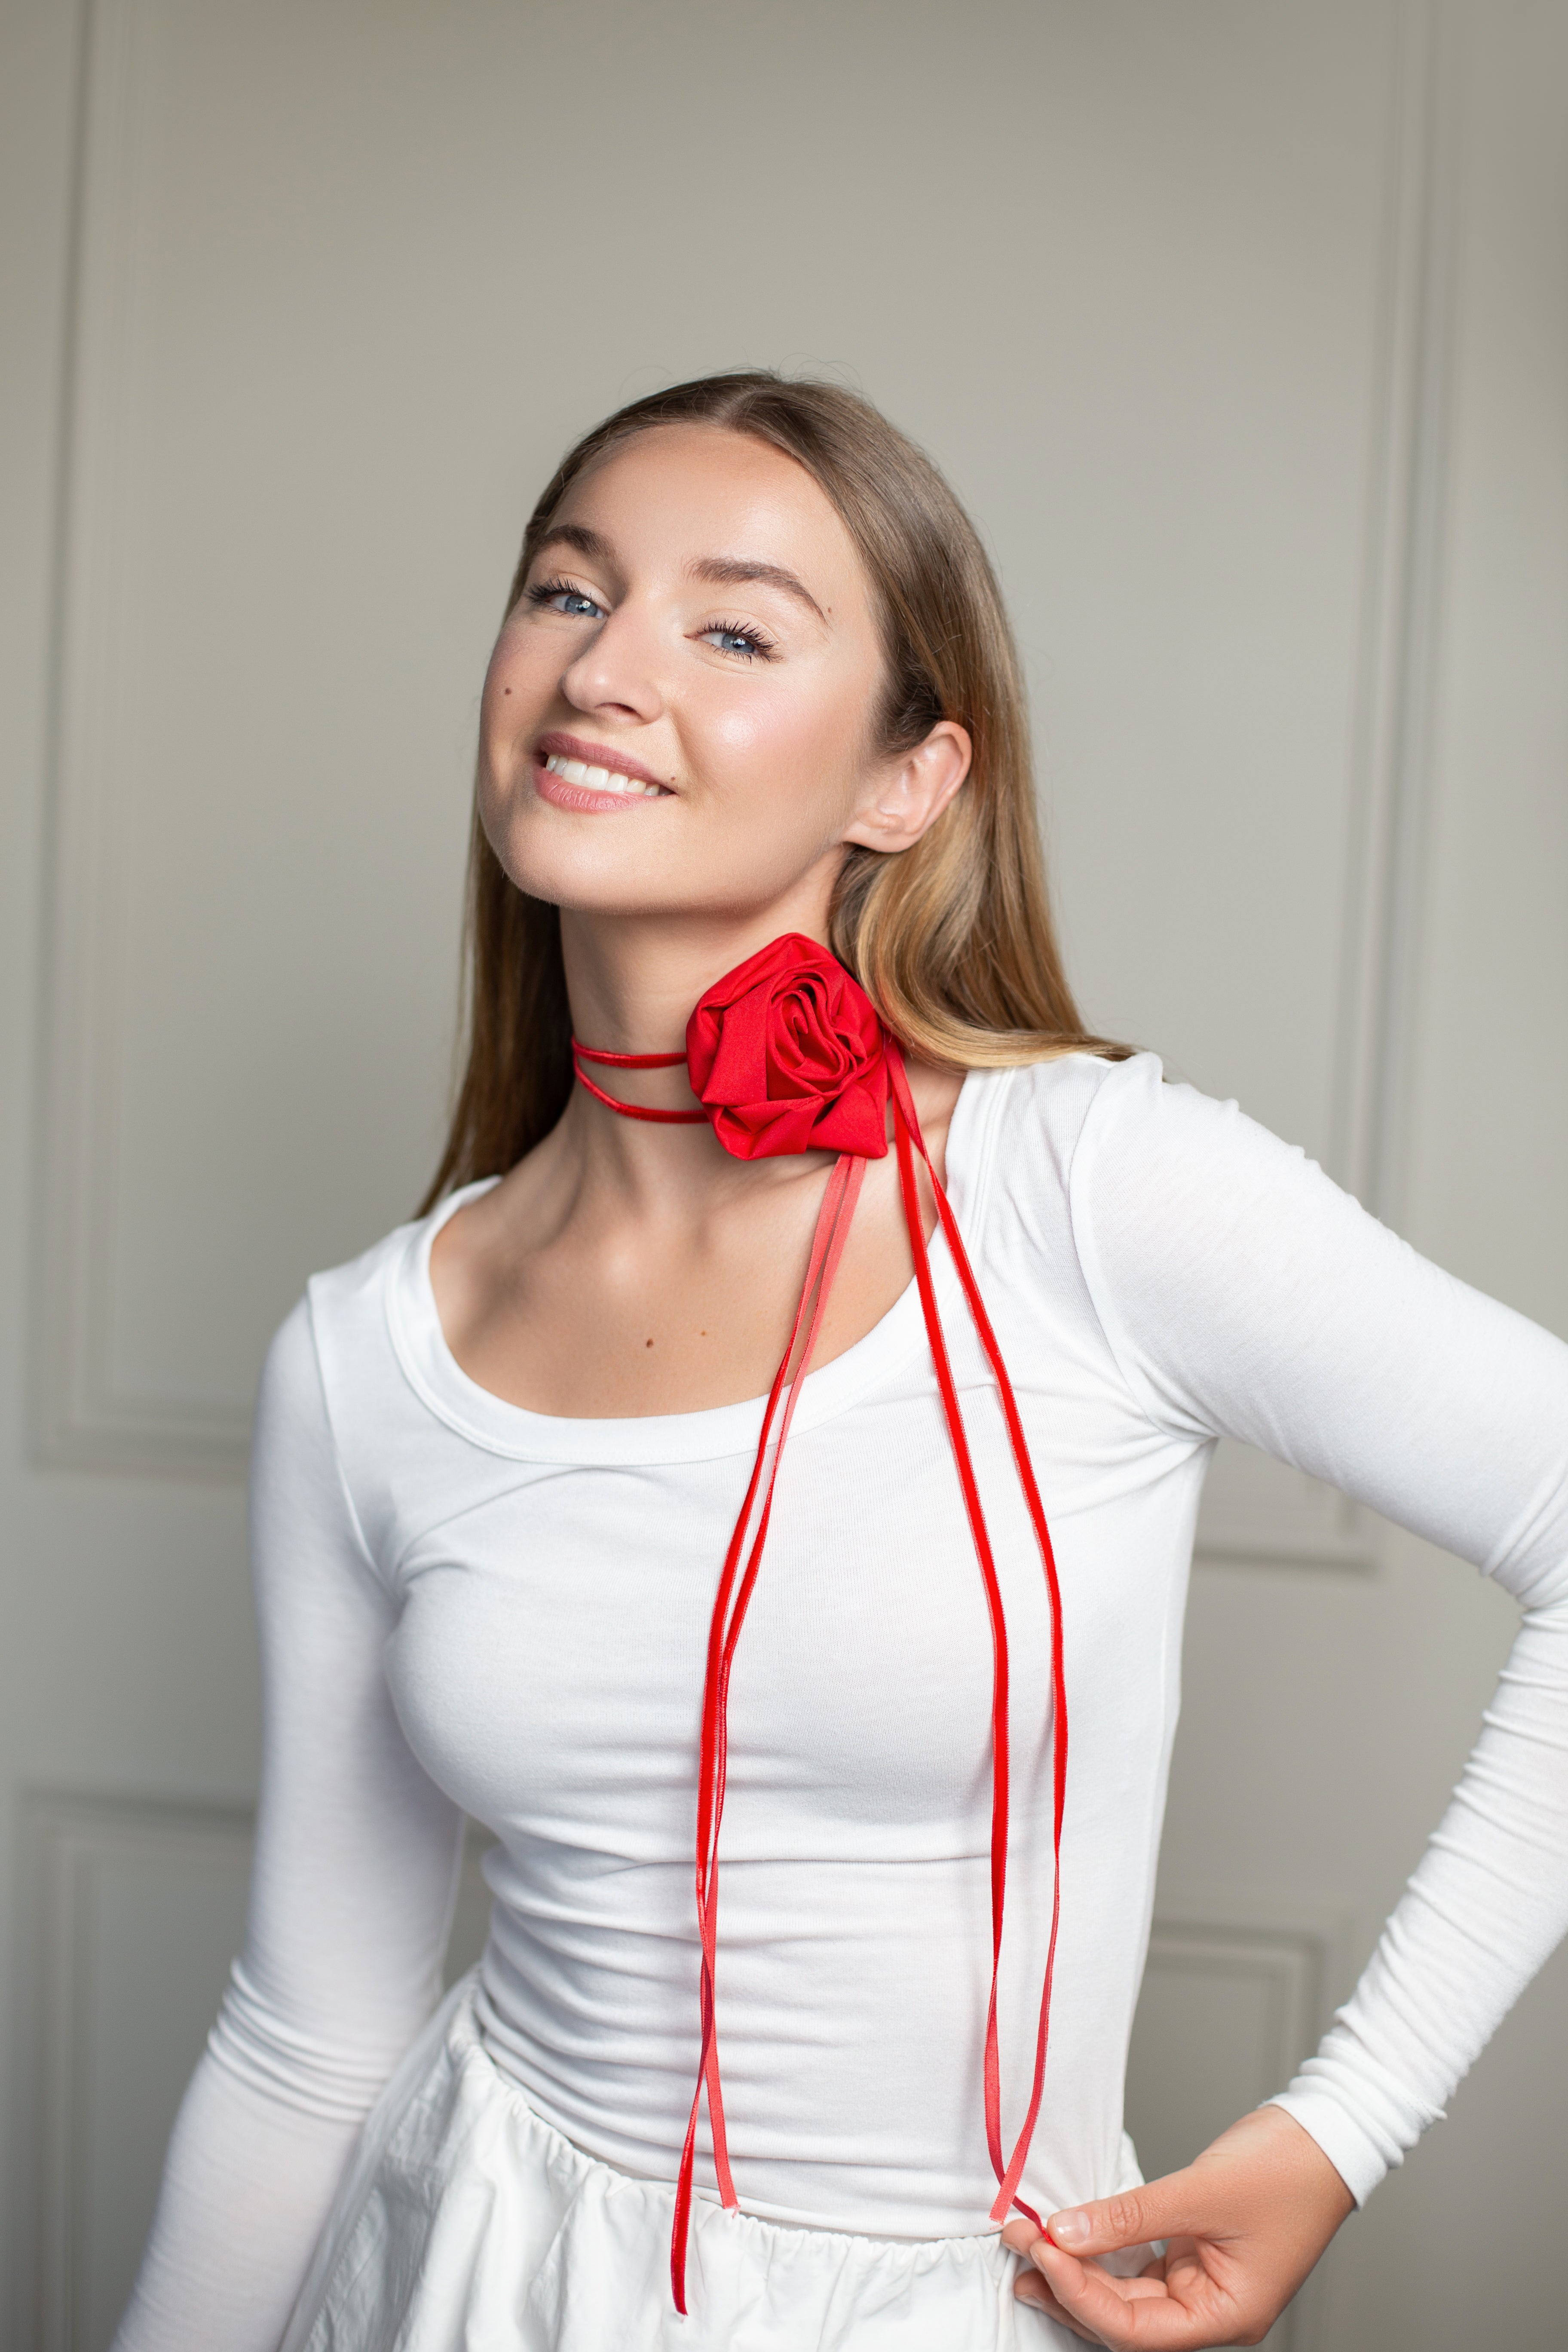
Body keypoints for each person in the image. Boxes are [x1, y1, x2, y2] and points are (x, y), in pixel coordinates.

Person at [114, 372, 1568, 2352]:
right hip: (465, 2273)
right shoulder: (362, 1354)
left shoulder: (1094, 1191)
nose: (606, 669)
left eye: (731, 628)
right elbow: (309, 2035)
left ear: (908, 783)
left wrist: (1345, 2127)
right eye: (566, 592)